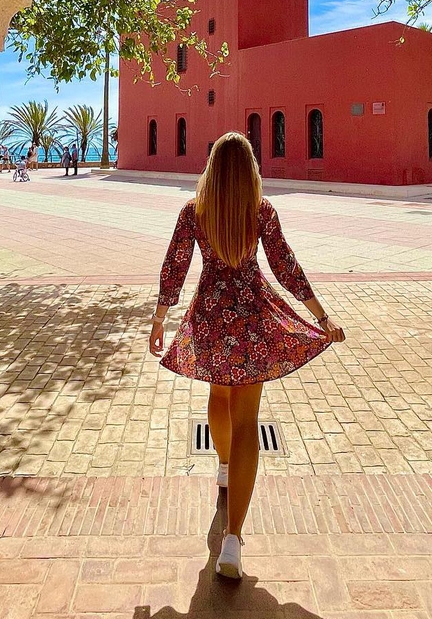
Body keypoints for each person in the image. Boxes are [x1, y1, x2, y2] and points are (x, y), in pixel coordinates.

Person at [149, 131, 345, 580]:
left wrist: (160, 319)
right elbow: (285, 265)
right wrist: (321, 315)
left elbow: (174, 265)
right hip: (252, 316)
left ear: (213, 168)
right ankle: (232, 539)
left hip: (212, 315)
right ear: (250, 169)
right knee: (245, 420)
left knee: (219, 397)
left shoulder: (194, 211)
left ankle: (222, 467)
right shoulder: (261, 211)